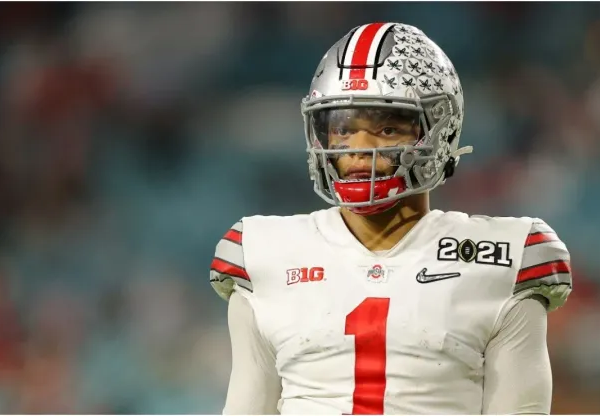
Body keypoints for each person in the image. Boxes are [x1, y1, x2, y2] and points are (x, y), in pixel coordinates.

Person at [210, 22, 572, 415]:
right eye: (343, 128)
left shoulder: (505, 257)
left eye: (386, 128)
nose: (359, 148)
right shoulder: (262, 252)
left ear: (438, 130)